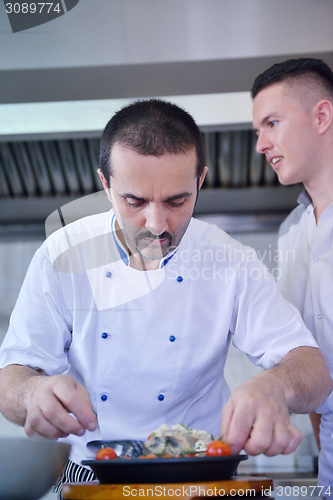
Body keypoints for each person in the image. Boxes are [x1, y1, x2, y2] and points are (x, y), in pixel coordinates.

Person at [0, 99, 331, 496]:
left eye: (177, 201)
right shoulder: (62, 255)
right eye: (134, 202)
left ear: (200, 181)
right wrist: (32, 392)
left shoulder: (230, 260)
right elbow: (11, 379)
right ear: (106, 185)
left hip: (202, 476)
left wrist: (276, 384)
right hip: (92, 477)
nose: (157, 226)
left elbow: (312, 367)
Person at [252, 58, 333, 489]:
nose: (262, 144)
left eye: (272, 123)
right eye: (257, 132)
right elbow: (314, 363)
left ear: (321, 116)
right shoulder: (291, 234)